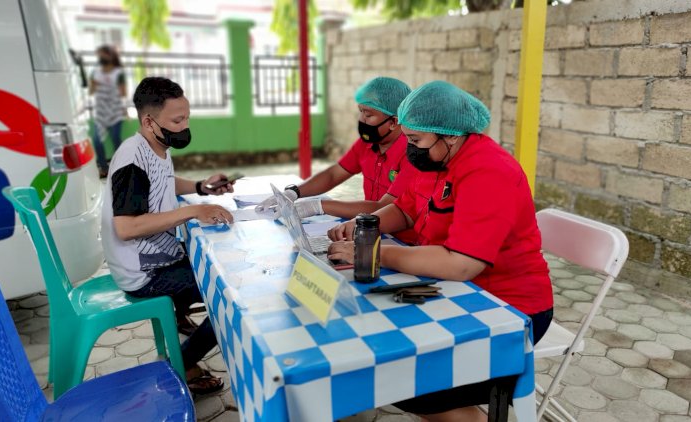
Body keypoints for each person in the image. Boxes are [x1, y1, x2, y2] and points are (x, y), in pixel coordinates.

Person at [327, 81, 554, 422]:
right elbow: (405, 209)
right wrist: (366, 226)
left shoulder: (489, 171)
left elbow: (461, 264)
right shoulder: (436, 161)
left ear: (448, 134)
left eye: (416, 141)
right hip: (455, 289)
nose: (410, 149)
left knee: (411, 383)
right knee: (377, 338)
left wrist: (375, 252)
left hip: (508, 310)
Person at [101, 76, 235, 395]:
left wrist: (202, 188)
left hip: (159, 258)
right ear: (149, 121)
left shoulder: (154, 146)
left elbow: (165, 180)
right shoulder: (131, 160)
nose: (185, 126)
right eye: (178, 120)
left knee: (217, 266)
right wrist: (191, 211)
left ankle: (181, 320)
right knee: (229, 297)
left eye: (187, 117)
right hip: (144, 274)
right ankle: (182, 363)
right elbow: (127, 227)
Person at [256, 77, 416, 228]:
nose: (361, 119)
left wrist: (319, 205)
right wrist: (294, 192)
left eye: (368, 115)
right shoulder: (367, 145)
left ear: (394, 122)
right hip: (372, 230)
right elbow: (333, 174)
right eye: (360, 111)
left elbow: (383, 207)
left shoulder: (412, 154)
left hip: (405, 241)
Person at [89, 45, 127, 178]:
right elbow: (91, 92)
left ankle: (121, 167)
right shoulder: (95, 73)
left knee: (116, 138)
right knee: (97, 140)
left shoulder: (118, 73)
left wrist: (124, 110)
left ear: (110, 56)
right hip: (101, 113)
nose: (101, 58)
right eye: (99, 55)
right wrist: (94, 84)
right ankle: (104, 168)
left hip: (115, 112)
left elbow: (123, 93)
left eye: (103, 55)